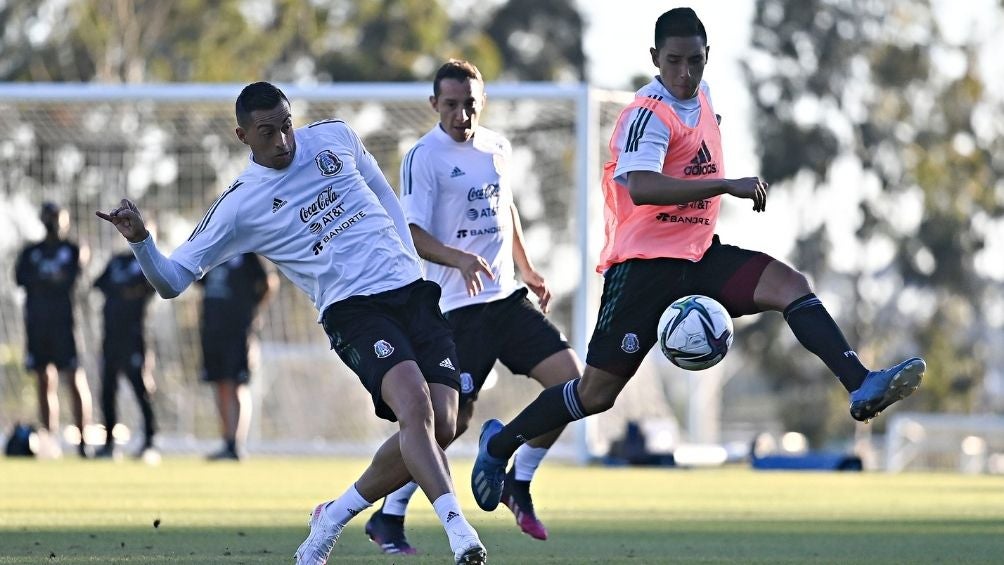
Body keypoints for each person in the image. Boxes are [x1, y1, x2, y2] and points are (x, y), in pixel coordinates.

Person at [469, 7, 927, 512]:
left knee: (790, 284)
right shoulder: (648, 112)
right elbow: (641, 187)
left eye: (695, 61)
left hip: (698, 256)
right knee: (596, 395)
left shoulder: (702, 98)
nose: (685, 73)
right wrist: (725, 184)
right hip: (643, 269)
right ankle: (498, 444)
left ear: (708, 57)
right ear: (654, 59)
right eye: (674, 62)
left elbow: (697, 138)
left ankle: (860, 384)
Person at [96, 81, 487, 565]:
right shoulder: (241, 205)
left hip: (411, 291)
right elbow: (172, 281)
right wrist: (142, 242)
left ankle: (333, 515)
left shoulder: (334, 136)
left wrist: (409, 262)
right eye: (267, 133)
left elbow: (382, 191)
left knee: (441, 426)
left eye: (286, 127)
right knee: (415, 407)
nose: (283, 142)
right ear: (243, 136)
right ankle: (459, 531)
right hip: (353, 310)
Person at [362, 59, 583, 554]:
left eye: (471, 105)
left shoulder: (498, 146)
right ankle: (389, 515)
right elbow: (412, 233)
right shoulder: (423, 156)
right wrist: (458, 258)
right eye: (453, 105)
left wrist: (527, 269)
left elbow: (505, 209)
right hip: (455, 309)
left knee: (574, 385)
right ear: (434, 104)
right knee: (447, 425)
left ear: (483, 102)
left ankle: (519, 479)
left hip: (506, 298)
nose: (463, 115)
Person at [15, 201, 94, 458]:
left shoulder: (72, 249)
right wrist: (50, 280)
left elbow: (73, 275)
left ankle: (84, 442)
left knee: (74, 378)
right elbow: (21, 278)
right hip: (38, 324)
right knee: (44, 379)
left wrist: (46, 281)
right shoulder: (31, 252)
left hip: (65, 324)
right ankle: (49, 439)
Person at [198, 252, 276, 461]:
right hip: (212, 330)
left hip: (238, 331)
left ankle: (236, 443)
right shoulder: (212, 253)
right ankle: (226, 441)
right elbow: (198, 281)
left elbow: (269, 282)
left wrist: (254, 310)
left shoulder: (248, 255)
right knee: (220, 384)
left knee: (237, 384)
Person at [93, 248, 158, 460]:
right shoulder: (116, 261)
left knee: (140, 388)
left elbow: (152, 287)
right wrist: (126, 290)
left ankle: (149, 442)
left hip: (134, 337)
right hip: (111, 336)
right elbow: (99, 284)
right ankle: (110, 443)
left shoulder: (148, 260)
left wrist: (127, 291)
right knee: (107, 390)